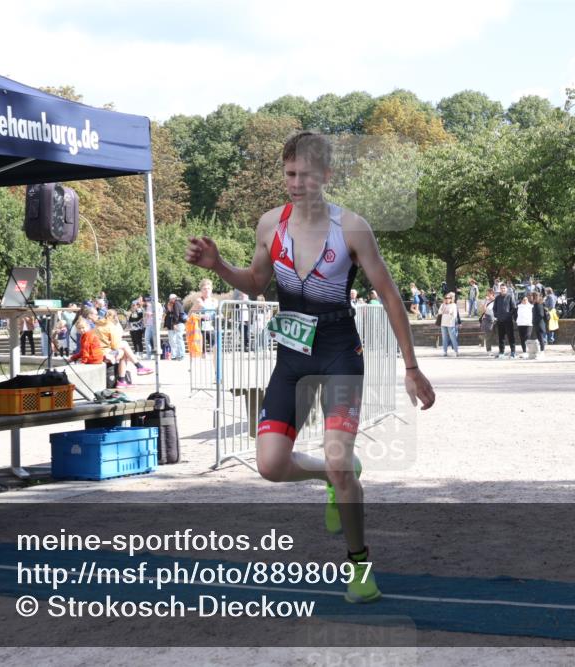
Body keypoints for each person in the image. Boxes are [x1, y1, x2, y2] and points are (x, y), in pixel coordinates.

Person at [184, 130, 435, 604]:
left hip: (340, 352)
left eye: (306, 175)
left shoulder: (352, 228)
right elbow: (256, 284)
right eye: (289, 174)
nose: (296, 184)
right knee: (270, 465)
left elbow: (388, 293)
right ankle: (329, 474)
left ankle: (359, 564)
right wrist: (219, 266)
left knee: (342, 463)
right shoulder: (268, 226)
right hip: (292, 357)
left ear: (327, 176)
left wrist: (411, 365)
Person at [492, 284, 518, 358]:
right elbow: (494, 308)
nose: (503, 289)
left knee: (511, 337)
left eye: (504, 288)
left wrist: (508, 315)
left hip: (508, 320)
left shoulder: (510, 297)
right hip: (500, 321)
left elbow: (513, 308)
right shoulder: (497, 298)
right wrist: (497, 315)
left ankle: (513, 352)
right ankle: (501, 352)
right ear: (500, 289)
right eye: (501, 288)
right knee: (501, 337)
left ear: (506, 289)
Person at [164, 294, 186, 360]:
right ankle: (175, 355)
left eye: (171, 299)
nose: (170, 300)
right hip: (172, 325)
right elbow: (168, 316)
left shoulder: (176, 303)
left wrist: (175, 324)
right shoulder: (172, 306)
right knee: (173, 341)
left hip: (178, 324)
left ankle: (181, 355)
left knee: (178, 339)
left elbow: (177, 314)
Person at [438, 292, 460, 357]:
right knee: (444, 338)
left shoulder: (453, 305)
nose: (447, 299)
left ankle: (456, 351)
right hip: (443, 323)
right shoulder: (442, 305)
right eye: (446, 298)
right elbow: (439, 312)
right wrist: (443, 308)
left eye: (448, 298)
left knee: (453, 338)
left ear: (451, 299)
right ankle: (445, 351)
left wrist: (452, 317)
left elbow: (455, 315)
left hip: (450, 323)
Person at [479, 289, 496, 354]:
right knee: (488, 335)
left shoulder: (496, 301)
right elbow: (483, 310)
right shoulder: (486, 301)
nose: (488, 295)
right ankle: (489, 350)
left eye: (489, 294)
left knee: (495, 335)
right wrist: (485, 301)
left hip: (495, 319)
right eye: (487, 294)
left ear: (492, 294)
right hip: (488, 319)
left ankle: (501, 350)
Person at [531, 292, 547, 359]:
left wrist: (534, 320)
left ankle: (542, 352)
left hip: (539, 324)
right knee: (539, 338)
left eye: (533, 297)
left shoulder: (539, 305)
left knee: (541, 339)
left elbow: (541, 315)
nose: (532, 298)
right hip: (537, 323)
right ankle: (540, 351)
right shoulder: (536, 304)